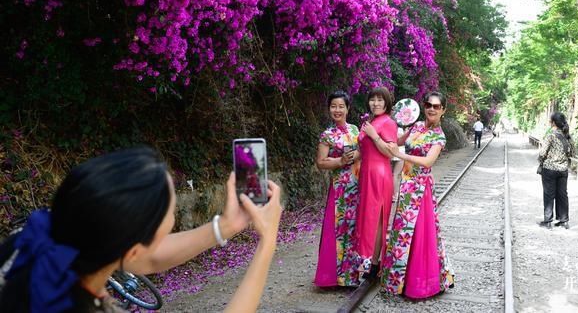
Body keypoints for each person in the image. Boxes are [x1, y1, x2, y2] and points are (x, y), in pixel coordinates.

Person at [0, 147, 282, 313]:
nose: (172, 220)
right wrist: (267, 243)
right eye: (170, 216)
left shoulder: (39, 237)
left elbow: (147, 256)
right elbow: (144, 257)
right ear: (132, 250)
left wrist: (227, 226)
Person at [381, 92, 454, 298]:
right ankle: (398, 281)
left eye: (436, 106)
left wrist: (400, 154)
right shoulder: (417, 126)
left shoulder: (439, 136)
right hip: (406, 187)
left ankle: (420, 282)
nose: (431, 108)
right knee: (402, 232)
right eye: (428, 104)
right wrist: (389, 129)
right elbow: (397, 140)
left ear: (443, 111)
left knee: (420, 234)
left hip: (421, 189)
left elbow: (427, 162)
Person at [314, 90, 361, 287]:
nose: (337, 110)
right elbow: (321, 163)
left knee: (355, 229)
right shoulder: (327, 135)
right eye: (334, 106)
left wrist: (357, 155)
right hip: (340, 189)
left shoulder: (355, 130)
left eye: (341, 106)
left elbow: (362, 152)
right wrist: (340, 160)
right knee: (339, 229)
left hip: (357, 186)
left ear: (348, 108)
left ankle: (353, 275)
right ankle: (334, 277)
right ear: (329, 109)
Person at [353, 86, 398, 278]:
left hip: (379, 173)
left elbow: (390, 152)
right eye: (373, 99)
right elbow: (364, 150)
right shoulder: (370, 121)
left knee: (378, 217)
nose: (376, 103)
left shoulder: (388, 122)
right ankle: (367, 260)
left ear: (387, 102)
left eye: (380, 100)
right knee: (367, 216)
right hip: (366, 172)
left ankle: (374, 263)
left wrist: (374, 135)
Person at [538, 112, 575, 229]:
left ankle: (548, 221)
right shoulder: (567, 136)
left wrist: (541, 160)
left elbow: (542, 153)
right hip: (563, 170)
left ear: (553, 123)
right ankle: (563, 220)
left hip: (549, 169)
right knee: (562, 194)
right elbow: (572, 153)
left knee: (549, 194)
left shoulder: (551, 136)